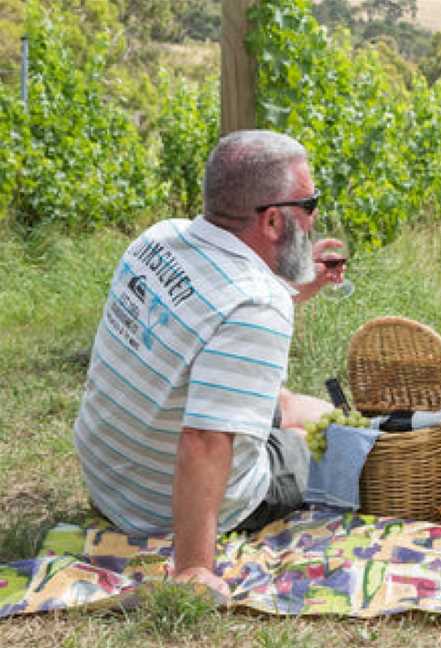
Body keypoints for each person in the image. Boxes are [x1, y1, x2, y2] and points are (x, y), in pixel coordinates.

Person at [73, 130, 347, 596]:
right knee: (330, 436)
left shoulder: (158, 239)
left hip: (110, 482)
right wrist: (193, 568)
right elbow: (204, 440)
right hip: (158, 504)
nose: (315, 217)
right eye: (310, 203)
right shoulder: (257, 306)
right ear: (275, 222)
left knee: (290, 402)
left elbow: (220, 309)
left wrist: (303, 284)